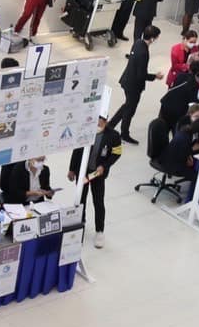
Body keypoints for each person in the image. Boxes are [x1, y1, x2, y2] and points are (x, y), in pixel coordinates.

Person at [69, 115, 123, 249]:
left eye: (102, 120)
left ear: (106, 120)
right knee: (80, 200)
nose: (99, 122)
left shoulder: (114, 135)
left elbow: (117, 153)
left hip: (98, 174)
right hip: (83, 172)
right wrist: (72, 169)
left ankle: (100, 231)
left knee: (98, 201)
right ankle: (79, 225)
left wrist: (104, 166)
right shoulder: (85, 130)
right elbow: (77, 150)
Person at [108, 25, 161, 144]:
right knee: (130, 109)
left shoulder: (138, 43)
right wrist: (155, 76)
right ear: (152, 38)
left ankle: (111, 125)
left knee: (127, 105)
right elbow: (141, 74)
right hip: (133, 85)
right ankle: (124, 133)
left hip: (127, 80)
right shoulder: (143, 52)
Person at [160, 57, 199, 128]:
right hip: (177, 110)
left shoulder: (181, 75)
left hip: (166, 103)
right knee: (176, 129)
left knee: (162, 128)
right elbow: (196, 100)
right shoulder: (194, 84)